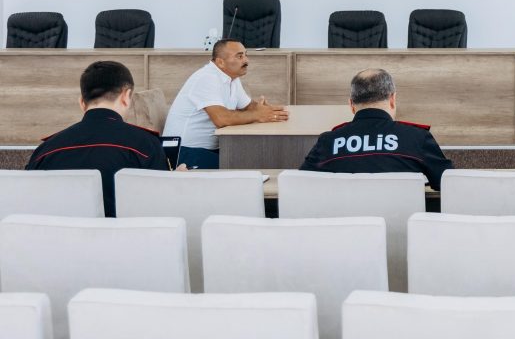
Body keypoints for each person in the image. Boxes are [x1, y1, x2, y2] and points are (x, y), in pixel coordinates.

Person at [25, 61, 171, 216]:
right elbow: (160, 205)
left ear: (82, 102)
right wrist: (176, 181)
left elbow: (31, 205)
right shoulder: (146, 145)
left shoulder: (45, 151)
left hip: (61, 231)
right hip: (126, 231)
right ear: (126, 96)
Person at [299, 68, 452, 189]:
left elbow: (299, 185)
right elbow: (451, 184)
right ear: (392, 99)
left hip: (345, 220)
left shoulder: (327, 142)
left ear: (351, 105)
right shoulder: (417, 138)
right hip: (400, 221)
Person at [163, 38, 288, 168]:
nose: (246, 60)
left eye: (246, 55)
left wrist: (264, 109)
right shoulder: (206, 78)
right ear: (220, 62)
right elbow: (222, 119)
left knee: (253, 158)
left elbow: (249, 106)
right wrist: (258, 114)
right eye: (239, 56)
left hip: (209, 149)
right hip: (181, 152)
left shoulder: (232, 78)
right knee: (243, 167)